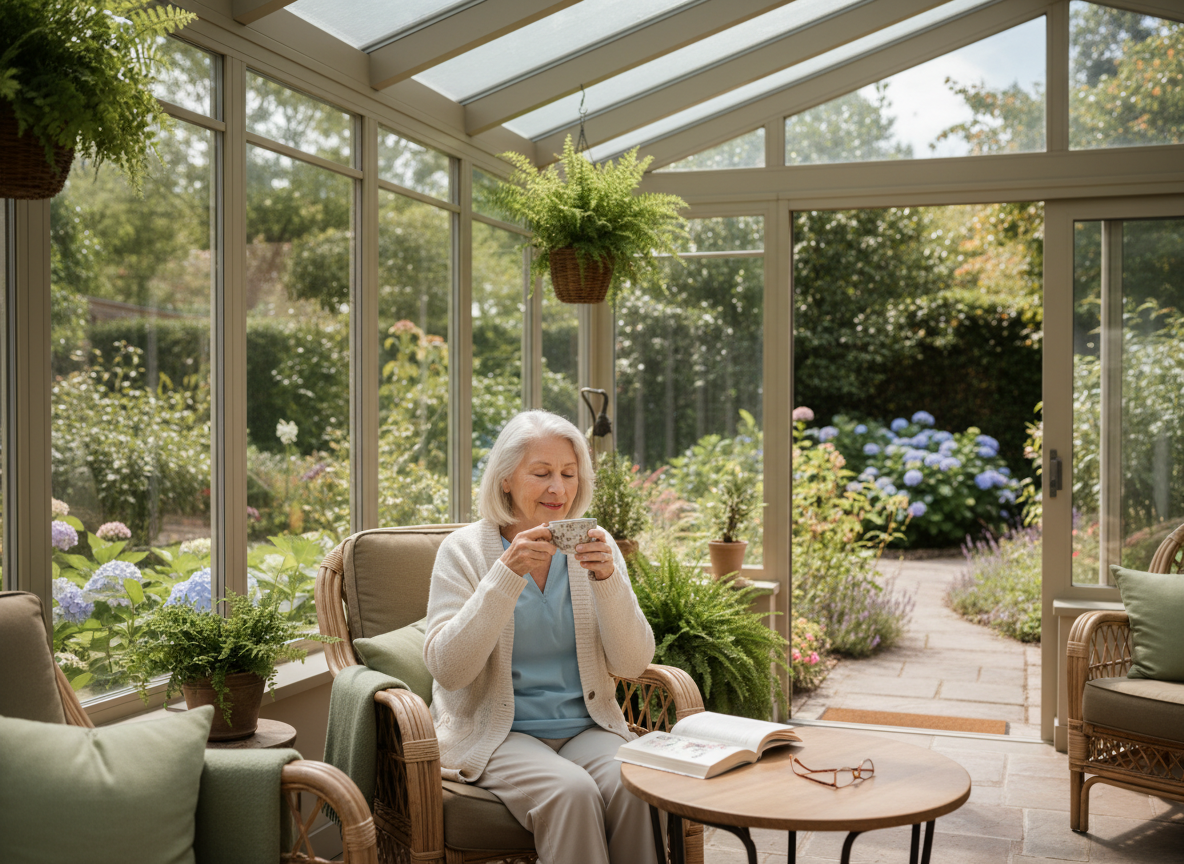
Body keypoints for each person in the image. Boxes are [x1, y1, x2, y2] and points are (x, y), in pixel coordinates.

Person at [423, 409, 657, 864]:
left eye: (569, 473)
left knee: (636, 783)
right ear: (506, 479)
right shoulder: (464, 552)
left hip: (587, 726)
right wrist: (505, 576)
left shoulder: (595, 546)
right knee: (571, 793)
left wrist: (608, 580)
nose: (559, 488)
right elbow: (449, 671)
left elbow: (632, 664)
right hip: (497, 734)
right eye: (542, 473)